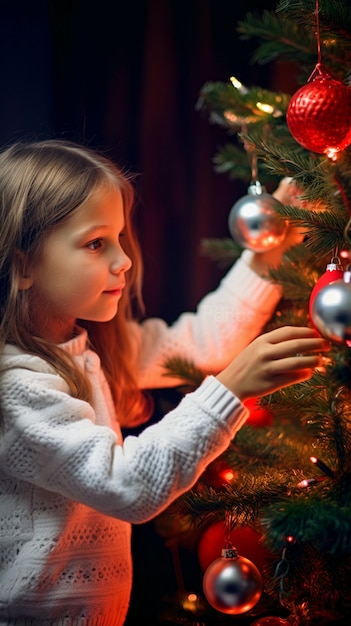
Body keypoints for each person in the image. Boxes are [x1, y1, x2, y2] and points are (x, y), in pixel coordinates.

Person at [0, 139, 330, 626]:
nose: (123, 259)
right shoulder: (15, 388)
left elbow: (203, 339)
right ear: (23, 265)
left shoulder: (91, 347)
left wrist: (268, 256)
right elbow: (126, 485)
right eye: (96, 243)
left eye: (118, 237)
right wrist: (230, 391)